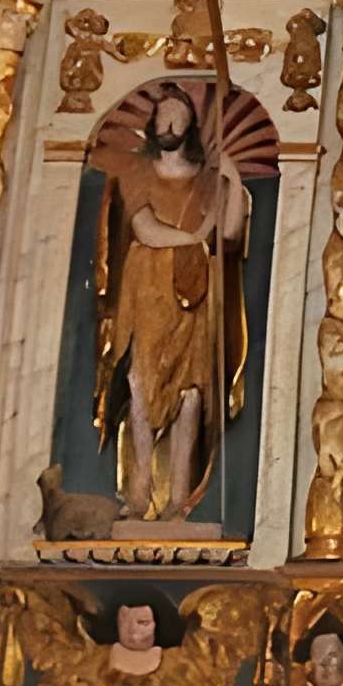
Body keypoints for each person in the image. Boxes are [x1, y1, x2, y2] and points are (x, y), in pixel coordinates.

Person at [88, 86, 251, 520]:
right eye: (164, 116)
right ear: (153, 124)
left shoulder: (208, 182)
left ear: (191, 126)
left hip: (196, 288)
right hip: (148, 288)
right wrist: (195, 240)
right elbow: (145, 229)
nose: (170, 124)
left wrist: (232, 180)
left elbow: (230, 234)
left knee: (191, 393)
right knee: (143, 386)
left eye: (179, 116)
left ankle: (180, 499)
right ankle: (138, 494)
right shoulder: (136, 174)